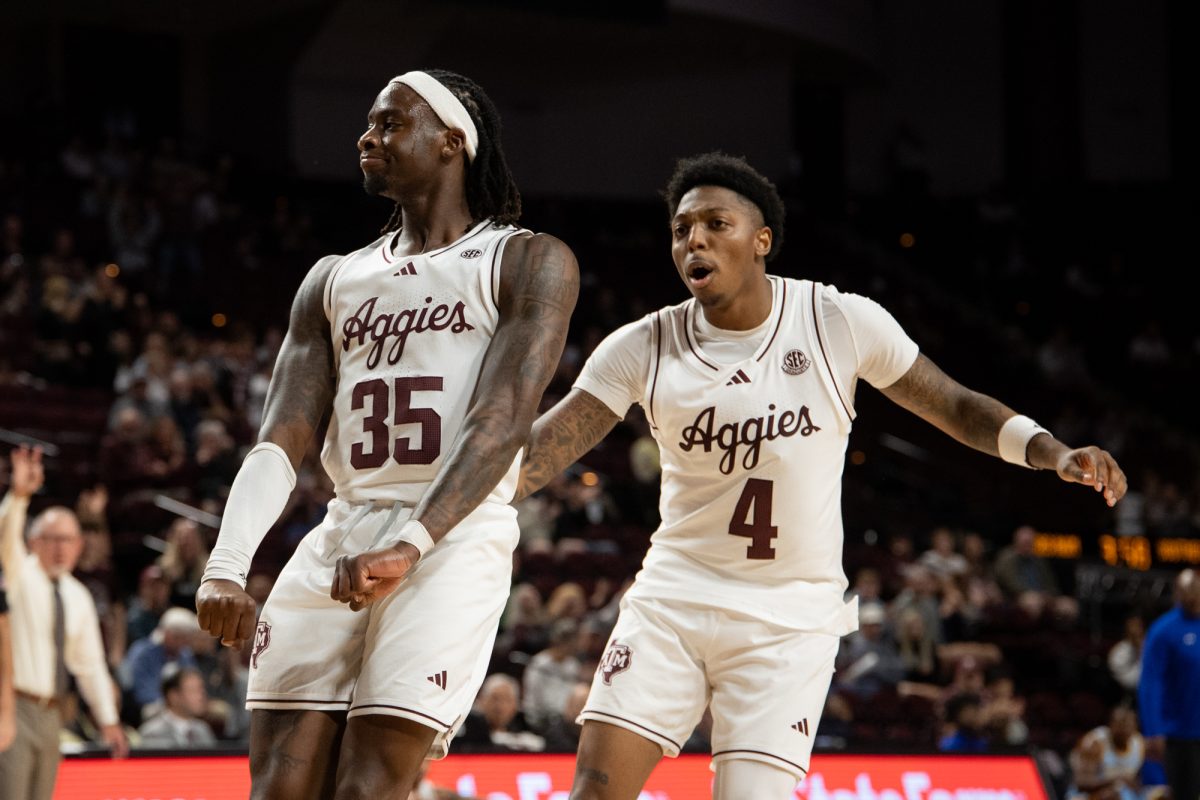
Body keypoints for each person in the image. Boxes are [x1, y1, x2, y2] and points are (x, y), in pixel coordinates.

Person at [514, 152, 1127, 799]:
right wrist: (425, 514)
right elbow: (541, 452)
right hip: (675, 599)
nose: (693, 238)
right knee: (594, 790)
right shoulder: (643, 345)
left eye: (715, 223)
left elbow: (951, 403)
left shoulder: (837, 320)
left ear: (761, 240)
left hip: (789, 619)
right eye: (681, 227)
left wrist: (1048, 449)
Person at [194, 69, 578, 799]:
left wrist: (411, 545)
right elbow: (280, 438)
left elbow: (500, 423)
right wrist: (226, 565)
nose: (367, 137)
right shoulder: (333, 278)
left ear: (452, 141)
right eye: (369, 124)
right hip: (344, 527)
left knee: (369, 786)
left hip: (449, 535)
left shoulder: (527, 259)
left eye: (390, 123)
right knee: (277, 787)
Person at [0, 446, 129, 800]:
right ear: (33, 541)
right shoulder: (17, 575)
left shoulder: (78, 595)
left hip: (52, 711)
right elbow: (4, 542)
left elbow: (89, 665)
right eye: (52, 539)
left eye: (68, 540)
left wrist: (108, 719)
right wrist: (19, 496)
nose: (60, 548)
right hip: (13, 704)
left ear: (79, 546)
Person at [1138, 568, 1200, 800]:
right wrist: (1153, 729)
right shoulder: (1163, 631)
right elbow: (1151, 683)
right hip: (1179, 733)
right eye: (1186, 590)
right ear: (1177, 593)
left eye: (1195, 589)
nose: (1191, 596)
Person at [137, 665, 217, 747]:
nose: (201, 696)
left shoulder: (203, 730)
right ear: (173, 696)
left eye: (201, 690)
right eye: (193, 690)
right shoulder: (153, 734)